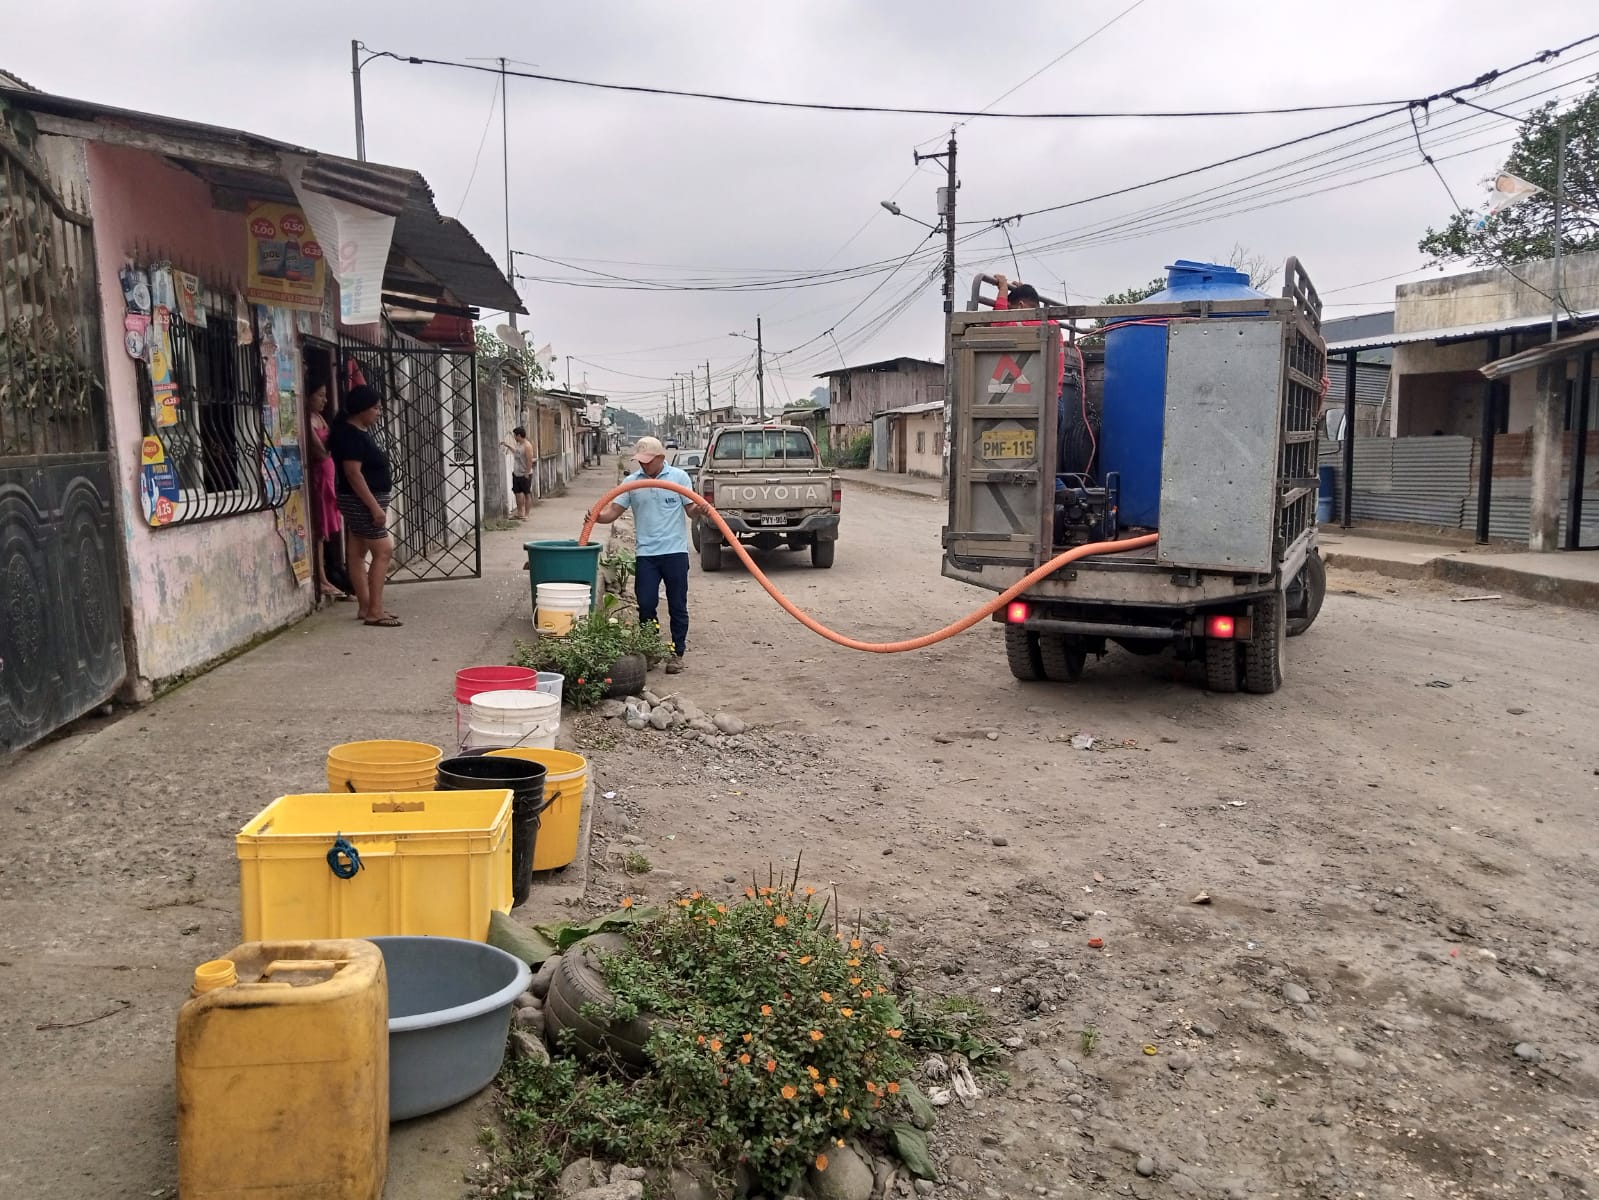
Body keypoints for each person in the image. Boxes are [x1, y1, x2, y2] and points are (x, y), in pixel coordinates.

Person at [592, 436, 706, 674]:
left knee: (677, 605)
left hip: (674, 552)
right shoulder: (632, 483)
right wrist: (596, 517)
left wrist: (701, 508)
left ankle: (677, 653)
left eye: (648, 460)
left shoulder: (679, 478)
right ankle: (651, 649)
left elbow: (691, 510)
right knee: (645, 603)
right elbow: (613, 511)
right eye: (641, 460)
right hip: (646, 554)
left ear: (661, 458)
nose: (644, 464)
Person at [992, 273, 1096, 483]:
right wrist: (1022, 290)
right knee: (1042, 465)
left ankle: (1063, 496)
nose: (1010, 313)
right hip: (1055, 403)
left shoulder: (1028, 325)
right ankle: (1063, 495)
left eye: (1012, 309)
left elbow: (997, 326)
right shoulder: (1051, 323)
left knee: (1034, 467)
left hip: (1039, 405)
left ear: (1021, 306)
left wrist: (1002, 289)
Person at [329, 384, 400, 628]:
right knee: (383, 550)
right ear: (362, 409)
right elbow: (353, 474)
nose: (379, 413)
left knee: (357, 552)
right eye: (376, 408)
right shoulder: (351, 435)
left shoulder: (355, 431)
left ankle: (366, 606)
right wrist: (374, 508)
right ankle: (375, 611)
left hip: (361, 500)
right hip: (362, 501)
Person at [305, 376, 350, 600]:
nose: (324, 400)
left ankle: (330, 574)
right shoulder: (308, 420)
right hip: (321, 475)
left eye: (325, 396)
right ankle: (322, 578)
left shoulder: (320, 417)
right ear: (308, 397)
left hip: (329, 474)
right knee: (321, 529)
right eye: (320, 395)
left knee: (329, 526)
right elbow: (321, 451)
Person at [501, 426, 535, 520]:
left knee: (526, 494)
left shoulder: (527, 446)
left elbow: (529, 460)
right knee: (517, 493)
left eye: (515, 435)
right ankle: (520, 513)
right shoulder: (519, 445)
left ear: (519, 436)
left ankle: (527, 514)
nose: (514, 437)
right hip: (517, 473)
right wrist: (507, 445)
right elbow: (516, 452)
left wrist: (527, 473)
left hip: (525, 473)